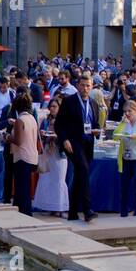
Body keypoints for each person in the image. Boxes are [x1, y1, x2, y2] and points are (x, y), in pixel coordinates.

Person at [53, 75, 99, 222]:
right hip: (73, 142)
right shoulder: (69, 101)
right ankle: (87, 209)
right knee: (83, 169)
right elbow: (59, 124)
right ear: (78, 86)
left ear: (92, 87)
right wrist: (64, 139)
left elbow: (95, 123)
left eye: (88, 86)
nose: (85, 88)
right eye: (83, 85)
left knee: (80, 175)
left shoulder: (93, 103)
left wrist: (97, 131)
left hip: (88, 142)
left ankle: (73, 212)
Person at [33, 98, 70, 216]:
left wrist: (57, 137)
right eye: (51, 106)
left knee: (58, 179)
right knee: (47, 178)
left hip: (59, 153)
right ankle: (49, 205)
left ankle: (60, 207)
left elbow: (67, 137)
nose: (53, 109)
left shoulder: (64, 121)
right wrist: (44, 135)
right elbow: (39, 135)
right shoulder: (45, 120)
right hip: (48, 152)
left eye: (55, 106)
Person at [9, 93, 39, 216]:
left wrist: (8, 137)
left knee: (22, 188)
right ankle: (24, 210)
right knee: (26, 186)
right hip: (32, 156)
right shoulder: (32, 119)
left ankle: (24, 212)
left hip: (22, 156)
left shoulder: (20, 120)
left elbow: (18, 141)